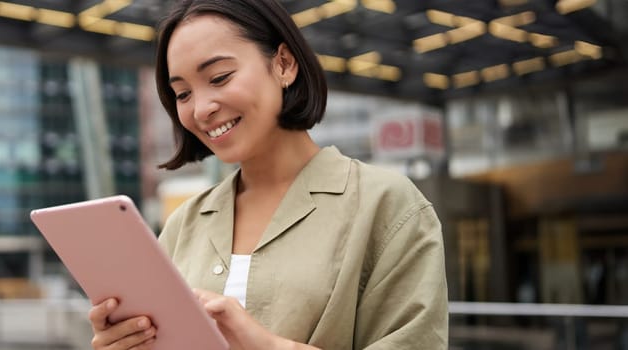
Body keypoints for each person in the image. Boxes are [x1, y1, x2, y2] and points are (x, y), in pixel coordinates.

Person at [87, 0, 448, 349]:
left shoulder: (388, 206)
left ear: (284, 64)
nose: (201, 109)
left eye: (219, 77)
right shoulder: (183, 224)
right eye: (182, 93)